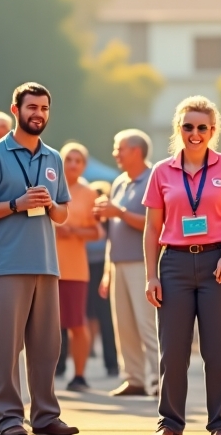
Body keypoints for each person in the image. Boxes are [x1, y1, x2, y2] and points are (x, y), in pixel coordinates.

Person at [0, 82, 78, 435]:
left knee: (47, 347)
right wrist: (16, 204)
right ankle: (9, 417)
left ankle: (45, 415)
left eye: (44, 108)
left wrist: (49, 205)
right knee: (5, 347)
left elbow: (62, 215)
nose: (38, 114)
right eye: (32, 107)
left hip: (45, 263)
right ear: (16, 110)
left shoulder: (54, 158)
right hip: (7, 264)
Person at [143, 96, 221, 435]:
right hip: (173, 263)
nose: (195, 133)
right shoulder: (161, 171)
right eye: (188, 126)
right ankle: (170, 422)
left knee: (219, 350)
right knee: (172, 350)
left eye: (202, 127)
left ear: (212, 130)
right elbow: (151, 229)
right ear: (179, 129)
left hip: (218, 262)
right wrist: (151, 275)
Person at [95, 129, 156, 398]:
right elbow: (113, 230)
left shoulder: (154, 179)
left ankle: (159, 380)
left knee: (147, 324)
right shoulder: (120, 182)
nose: (115, 153)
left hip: (143, 263)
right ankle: (134, 378)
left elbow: (156, 225)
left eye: (119, 149)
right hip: (119, 263)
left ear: (136, 151)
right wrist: (108, 270)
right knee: (124, 326)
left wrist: (118, 211)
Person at [55, 142, 103, 392]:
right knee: (45, 325)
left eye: (78, 160)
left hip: (74, 268)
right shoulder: (49, 186)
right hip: (46, 266)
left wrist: (72, 230)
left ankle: (80, 375)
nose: (73, 164)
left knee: (76, 323)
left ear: (84, 165)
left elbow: (97, 231)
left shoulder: (88, 193)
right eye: (69, 159)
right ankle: (45, 375)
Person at [86, 180, 119, 378]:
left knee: (106, 316)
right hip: (82, 266)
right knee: (83, 315)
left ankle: (112, 364)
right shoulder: (84, 214)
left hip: (103, 268)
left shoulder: (108, 219)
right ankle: (63, 363)